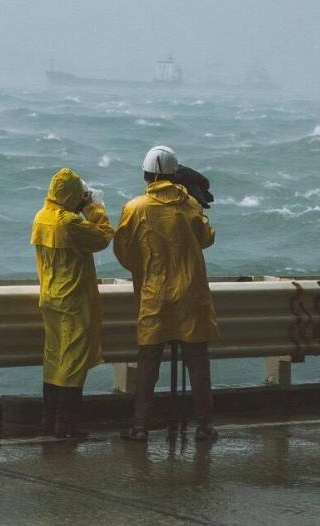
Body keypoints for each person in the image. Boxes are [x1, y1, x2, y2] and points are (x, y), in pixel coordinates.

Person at [114, 145, 220, 441]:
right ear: (176, 175)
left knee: (148, 362)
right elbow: (207, 239)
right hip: (191, 294)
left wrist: (145, 269)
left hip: (155, 294)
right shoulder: (190, 206)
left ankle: (139, 426)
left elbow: (124, 252)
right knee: (198, 363)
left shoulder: (135, 208)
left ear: (146, 175)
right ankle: (205, 425)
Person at [30, 167, 115, 438]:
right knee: (73, 364)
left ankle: (48, 419)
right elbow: (103, 236)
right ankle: (67, 425)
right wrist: (93, 208)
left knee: (53, 359)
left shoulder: (41, 218)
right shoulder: (69, 222)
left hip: (50, 297)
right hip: (73, 300)